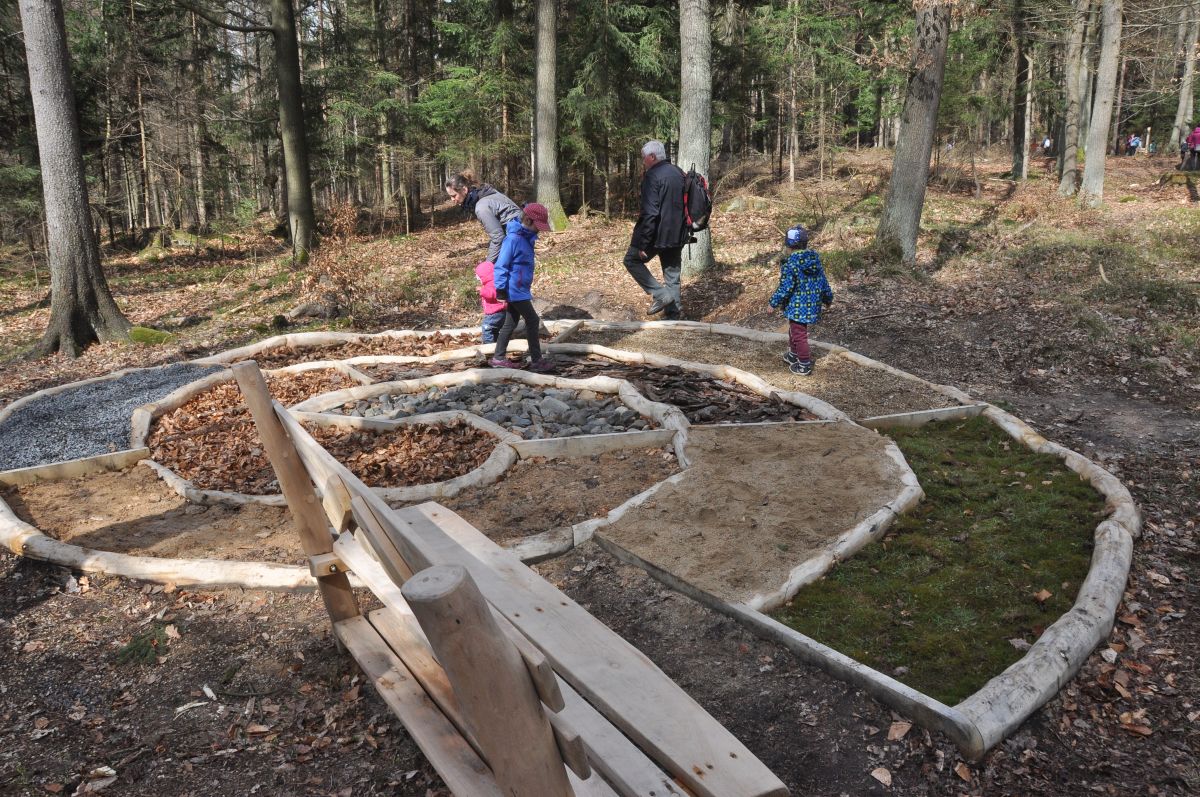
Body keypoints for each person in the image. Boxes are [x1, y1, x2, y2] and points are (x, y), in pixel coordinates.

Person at [624, 140, 688, 320]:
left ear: (652, 157)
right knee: (672, 275)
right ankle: (673, 316)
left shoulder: (652, 176)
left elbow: (650, 213)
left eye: (644, 157)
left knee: (631, 260)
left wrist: (643, 244)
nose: (643, 161)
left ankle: (660, 294)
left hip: (657, 235)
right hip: (678, 234)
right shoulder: (678, 172)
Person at [489, 203, 555, 372]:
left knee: (510, 323)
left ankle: (498, 358)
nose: (539, 230)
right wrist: (500, 289)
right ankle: (536, 360)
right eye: (537, 226)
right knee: (532, 320)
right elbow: (501, 265)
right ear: (527, 220)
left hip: (520, 289)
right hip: (514, 290)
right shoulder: (513, 239)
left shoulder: (526, 238)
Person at [768, 225, 833, 376]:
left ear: (788, 246)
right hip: (812, 305)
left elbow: (786, 287)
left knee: (799, 334)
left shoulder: (790, 264)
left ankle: (804, 364)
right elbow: (823, 281)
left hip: (797, 306)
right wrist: (828, 298)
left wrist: (773, 302)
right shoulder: (814, 260)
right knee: (794, 330)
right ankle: (793, 354)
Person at [445, 170, 521, 263]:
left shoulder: (481, 207)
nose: (452, 199)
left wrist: (488, 263)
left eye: (454, 196)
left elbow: (498, 237)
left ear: (464, 190)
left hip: (520, 234)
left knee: (498, 267)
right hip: (520, 230)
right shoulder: (485, 192)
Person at [474, 261, 506, 344]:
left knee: (487, 328)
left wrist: (482, 291)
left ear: (484, 276)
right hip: (496, 311)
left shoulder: (492, 283)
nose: (477, 279)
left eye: (479, 277)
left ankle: (488, 346)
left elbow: (492, 294)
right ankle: (496, 344)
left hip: (495, 312)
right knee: (494, 330)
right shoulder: (491, 282)